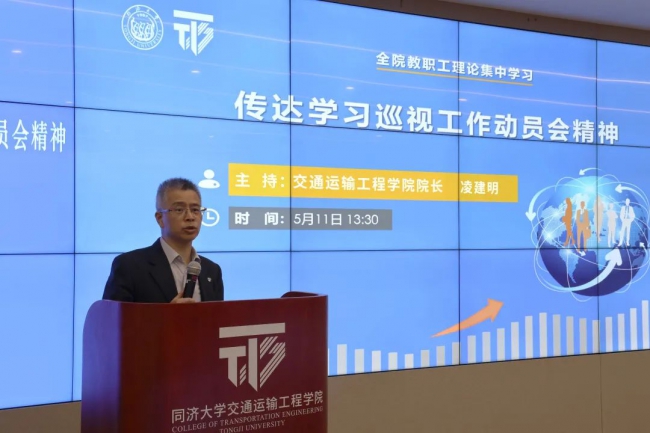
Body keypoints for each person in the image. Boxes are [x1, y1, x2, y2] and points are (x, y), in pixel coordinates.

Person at [103, 178, 224, 303]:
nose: (190, 217)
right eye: (179, 209)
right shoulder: (129, 266)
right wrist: (167, 314)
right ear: (160, 218)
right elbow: (110, 316)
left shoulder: (212, 271)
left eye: (195, 210)